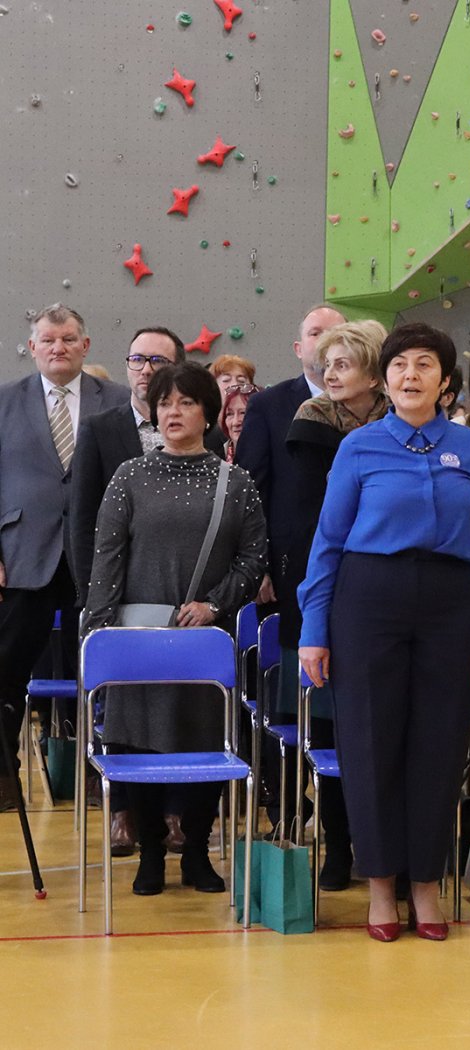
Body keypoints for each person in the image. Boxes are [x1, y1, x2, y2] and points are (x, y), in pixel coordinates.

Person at [298, 322, 470, 942]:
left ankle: (426, 886)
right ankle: (382, 886)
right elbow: (327, 543)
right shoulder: (358, 447)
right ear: (384, 380)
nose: (410, 374)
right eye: (399, 365)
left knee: (440, 745)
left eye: (424, 364)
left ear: (445, 382)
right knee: (370, 743)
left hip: (450, 603)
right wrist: (314, 629)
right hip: (369, 598)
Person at [84, 362, 268, 895]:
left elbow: (254, 557)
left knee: (207, 740)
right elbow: (107, 558)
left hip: (203, 641)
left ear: (207, 413)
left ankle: (196, 853)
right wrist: (100, 634)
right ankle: (149, 854)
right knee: (138, 743)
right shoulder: (129, 476)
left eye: (186, 402)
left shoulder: (236, 482)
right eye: (165, 402)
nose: (173, 412)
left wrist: (214, 604)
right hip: (138, 638)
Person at [67, 326, 218, 853]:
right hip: (124, 601)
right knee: (129, 711)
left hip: (189, 603)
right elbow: (84, 523)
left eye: (159, 361)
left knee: (184, 713)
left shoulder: (209, 443)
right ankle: (125, 813)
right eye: (138, 359)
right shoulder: (101, 428)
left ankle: (179, 816)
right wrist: (95, 604)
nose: (147, 370)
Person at [0, 304, 128, 811]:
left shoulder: (118, 401)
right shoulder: (5, 402)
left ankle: (102, 775)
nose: (59, 348)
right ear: (32, 348)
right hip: (21, 557)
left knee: (103, 671)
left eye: (69, 339)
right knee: (5, 670)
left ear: (85, 345)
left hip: (99, 559)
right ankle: (3, 776)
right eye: (48, 340)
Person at [281, 320, 389, 891]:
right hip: (330, 586)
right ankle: (339, 846)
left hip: (388, 592)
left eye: (344, 364)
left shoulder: (405, 423)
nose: (330, 374)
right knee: (329, 731)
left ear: (373, 373)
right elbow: (308, 520)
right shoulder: (312, 421)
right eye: (327, 364)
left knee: (384, 731)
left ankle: (386, 846)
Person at [236, 305, 345, 613]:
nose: (325, 341)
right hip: (288, 563)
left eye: (335, 334)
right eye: (315, 333)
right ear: (298, 348)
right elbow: (251, 491)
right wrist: (258, 566)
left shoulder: (374, 408)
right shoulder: (268, 405)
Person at [219, 386, 255, 462]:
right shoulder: (216, 456)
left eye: (243, 413)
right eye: (230, 414)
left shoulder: (275, 457)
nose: (235, 422)